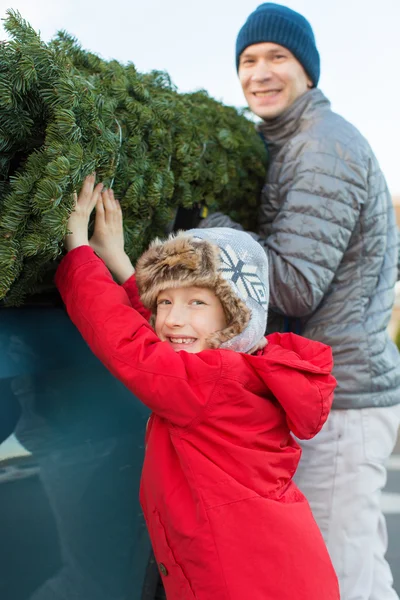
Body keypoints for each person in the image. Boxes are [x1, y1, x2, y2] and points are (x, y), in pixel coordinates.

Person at [54, 174, 339, 600]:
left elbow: (129, 345)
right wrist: (119, 262)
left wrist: (79, 253)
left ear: (234, 317)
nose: (171, 318)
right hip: (279, 572)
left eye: (197, 302)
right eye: (164, 300)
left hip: (244, 584)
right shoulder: (243, 367)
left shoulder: (211, 383)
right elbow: (162, 341)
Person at [199, 3, 400, 599]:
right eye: (248, 60)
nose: (259, 72)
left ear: (308, 71)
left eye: (277, 58)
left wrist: (214, 230)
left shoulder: (321, 147)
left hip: (344, 398)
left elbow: (289, 284)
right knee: (346, 573)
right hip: (328, 394)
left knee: (343, 580)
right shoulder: (291, 142)